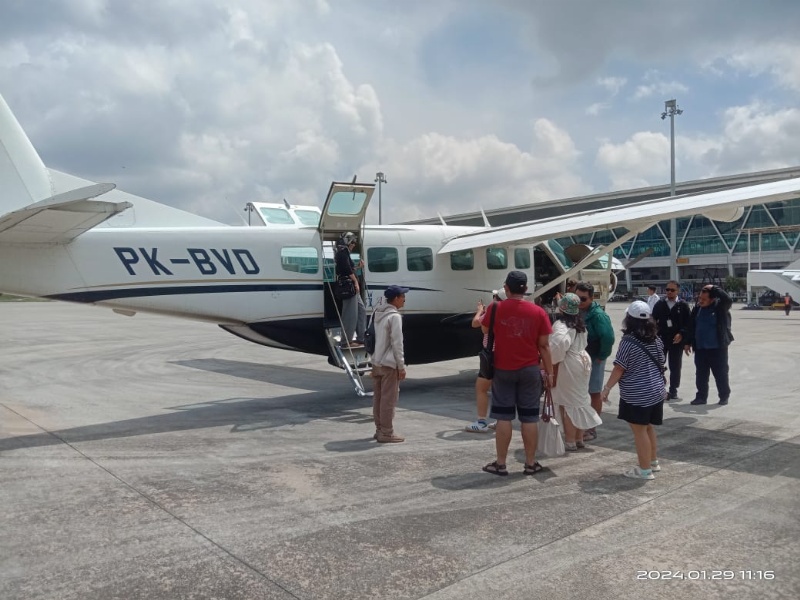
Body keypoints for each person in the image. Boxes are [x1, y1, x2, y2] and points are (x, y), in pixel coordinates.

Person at [481, 271, 554, 476]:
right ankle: (530, 464)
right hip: (530, 369)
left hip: (503, 369)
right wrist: (550, 373)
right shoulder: (538, 312)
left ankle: (501, 463)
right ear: (526, 288)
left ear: (506, 287)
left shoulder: (496, 308)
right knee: (530, 417)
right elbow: (545, 346)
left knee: (503, 417)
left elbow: (485, 330)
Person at [601, 301, 666, 480]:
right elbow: (661, 362)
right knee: (648, 427)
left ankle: (644, 470)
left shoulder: (628, 342)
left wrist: (606, 389)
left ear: (629, 319)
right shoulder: (656, 339)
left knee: (639, 431)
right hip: (656, 391)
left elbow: (619, 368)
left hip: (637, 393)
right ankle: (653, 462)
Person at [548, 293, 602, 451]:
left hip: (569, 364)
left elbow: (557, 346)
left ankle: (570, 440)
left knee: (568, 404)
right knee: (580, 401)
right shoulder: (580, 323)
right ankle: (579, 438)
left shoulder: (561, 325)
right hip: (583, 361)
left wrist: (549, 361)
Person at [575, 281, 614, 442]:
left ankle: (592, 428)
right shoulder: (577, 311)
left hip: (594, 358)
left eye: (583, 299)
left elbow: (608, 337)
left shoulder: (598, 315)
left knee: (594, 392)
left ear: (591, 298)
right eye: (577, 299)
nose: (579, 302)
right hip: (580, 358)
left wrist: (601, 356)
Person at [371, 285, 409, 443]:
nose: (404, 299)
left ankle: (379, 428)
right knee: (389, 399)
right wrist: (401, 366)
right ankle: (387, 432)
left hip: (376, 361)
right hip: (389, 364)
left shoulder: (378, 313)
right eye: (402, 297)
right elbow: (397, 343)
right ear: (395, 298)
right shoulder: (395, 317)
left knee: (378, 398)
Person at [684, 284, 733, 406]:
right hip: (700, 349)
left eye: (704, 299)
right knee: (701, 375)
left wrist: (714, 289)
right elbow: (691, 327)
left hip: (717, 349)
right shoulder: (697, 309)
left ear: (712, 299)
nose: (700, 301)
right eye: (700, 298)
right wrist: (687, 342)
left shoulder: (720, 308)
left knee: (721, 374)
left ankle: (724, 396)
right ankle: (701, 397)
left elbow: (728, 300)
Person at [465, 289, 504, 433]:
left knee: (481, 388)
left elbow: (476, 323)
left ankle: (481, 421)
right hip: (505, 354)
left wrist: (480, 311)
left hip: (491, 354)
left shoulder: (493, 311)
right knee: (500, 389)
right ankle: (501, 420)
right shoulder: (511, 311)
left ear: (496, 298)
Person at [651, 280, 691, 400]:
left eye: (672, 290)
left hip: (676, 341)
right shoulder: (660, 304)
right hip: (661, 340)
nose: (669, 292)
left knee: (675, 366)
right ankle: (658, 388)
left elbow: (688, 323)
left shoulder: (683, 305)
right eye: (667, 290)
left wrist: (682, 334)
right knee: (658, 364)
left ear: (677, 291)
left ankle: (673, 390)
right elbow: (652, 321)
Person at [334, 232, 366, 348]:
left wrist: (358, 267)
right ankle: (346, 341)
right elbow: (347, 270)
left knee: (361, 310)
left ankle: (361, 338)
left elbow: (349, 268)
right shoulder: (342, 253)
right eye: (352, 242)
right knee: (350, 314)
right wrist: (356, 282)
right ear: (347, 242)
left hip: (351, 286)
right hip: (349, 286)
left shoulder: (345, 253)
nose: (353, 245)